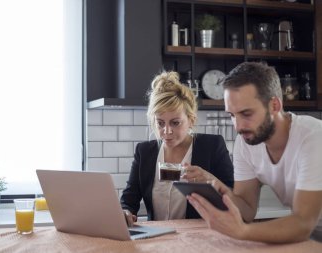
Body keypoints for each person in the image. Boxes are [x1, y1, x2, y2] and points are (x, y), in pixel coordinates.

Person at [187, 62, 322, 243]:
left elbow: (303, 223)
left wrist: (242, 232)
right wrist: (221, 189)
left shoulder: (312, 136)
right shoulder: (247, 142)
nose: (238, 126)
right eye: (232, 115)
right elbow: (247, 210)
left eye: (247, 113)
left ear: (274, 105)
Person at [120, 71, 234, 224]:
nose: (166, 131)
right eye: (160, 123)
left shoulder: (211, 147)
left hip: (199, 239)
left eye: (175, 123)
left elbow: (234, 199)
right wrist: (125, 212)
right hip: (157, 240)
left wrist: (209, 179)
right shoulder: (144, 152)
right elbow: (128, 201)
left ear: (191, 120)